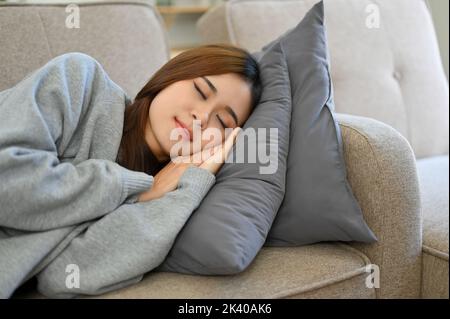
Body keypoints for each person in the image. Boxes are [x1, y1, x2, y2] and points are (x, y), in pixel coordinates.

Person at [0, 44, 262, 298]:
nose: (202, 117)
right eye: (201, 91)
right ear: (171, 75)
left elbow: (65, 274)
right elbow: (8, 182)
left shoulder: (164, 196)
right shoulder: (79, 78)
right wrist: (138, 187)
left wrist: (184, 190)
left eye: (222, 121)